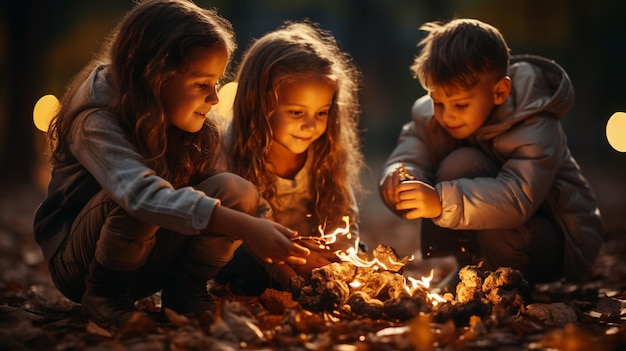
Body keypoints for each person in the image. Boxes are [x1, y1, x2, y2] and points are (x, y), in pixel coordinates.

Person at [32, 0, 310, 327]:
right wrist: (247, 227)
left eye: (216, 82)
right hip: (79, 264)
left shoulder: (189, 122)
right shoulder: (96, 118)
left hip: (146, 256)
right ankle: (105, 298)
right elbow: (140, 195)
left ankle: (186, 291)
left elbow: (240, 204)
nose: (215, 97)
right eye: (201, 83)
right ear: (155, 75)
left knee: (238, 190)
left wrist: (289, 259)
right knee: (145, 196)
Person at [379, 18, 604, 287]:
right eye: (438, 102)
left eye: (460, 105)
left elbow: (516, 199)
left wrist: (440, 201)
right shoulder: (431, 117)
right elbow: (411, 152)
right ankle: (472, 270)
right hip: (501, 229)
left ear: (500, 91)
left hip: (557, 241)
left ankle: (503, 286)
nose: (447, 116)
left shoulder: (536, 121)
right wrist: (397, 178)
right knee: (460, 163)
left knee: (473, 186)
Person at [213, 21, 365, 295]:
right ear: (259, 105)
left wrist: (340, 262)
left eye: (321, 113)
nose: (311, 125)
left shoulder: (325, 150)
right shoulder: (232, 151)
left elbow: (344, 217)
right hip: (255, 252)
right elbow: (247, 234)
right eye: (296, 113)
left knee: (361, 254)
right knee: (247, 266)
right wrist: (292, 280)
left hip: (310, 251)